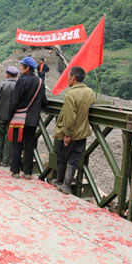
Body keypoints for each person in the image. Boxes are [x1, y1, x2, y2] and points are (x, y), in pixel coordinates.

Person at [52, 66, 96, 194]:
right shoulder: (90, 92)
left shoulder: (71, 93)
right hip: (83, 131)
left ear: (74, 77)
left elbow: (70, 116)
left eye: (68, 77)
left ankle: (60, 182)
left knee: (63, 156)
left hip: (71, 132)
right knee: (74, 158)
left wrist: (67, 134)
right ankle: (67, 185)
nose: (67, 79)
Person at [8, 57, 47, 179]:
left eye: (22, 66)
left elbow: (15, 100)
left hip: (20, 119)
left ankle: (15, 171)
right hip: (33, 120)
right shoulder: (40, 82)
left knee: (17, 144)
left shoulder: (21, 81)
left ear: (27, 68)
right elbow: (44, 102)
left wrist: (10, 116)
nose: (20, 68)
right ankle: (28, 172)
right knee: (30, 145)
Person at [0, 66, 18, 167]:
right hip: (12, 117)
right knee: (9, 139)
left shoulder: (2, 84)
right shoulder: (18, 85)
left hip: (0, 115)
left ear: (7, 74)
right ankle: (5, 161)